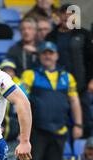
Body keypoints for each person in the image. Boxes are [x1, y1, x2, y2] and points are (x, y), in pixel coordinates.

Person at [21, 41, 83, 160]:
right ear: (39, 56)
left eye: (51, 53)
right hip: (37, 130)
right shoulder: (30, 75)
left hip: (59, 130)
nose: (47, 56)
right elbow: (21, 101)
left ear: (57, 56)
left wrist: (78, 124)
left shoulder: (67, 77)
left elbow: (74, 101)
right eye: (44, 53)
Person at [46, 3, 93, 138]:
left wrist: (91, 80)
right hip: (58, 87)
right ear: (59, 16)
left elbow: (91, 59)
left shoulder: (84, 34)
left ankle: (85, 153)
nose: (67, 17)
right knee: (60, 123)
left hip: (81, 87)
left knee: (85, 122)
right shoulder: (51, 36)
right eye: (64, 14)